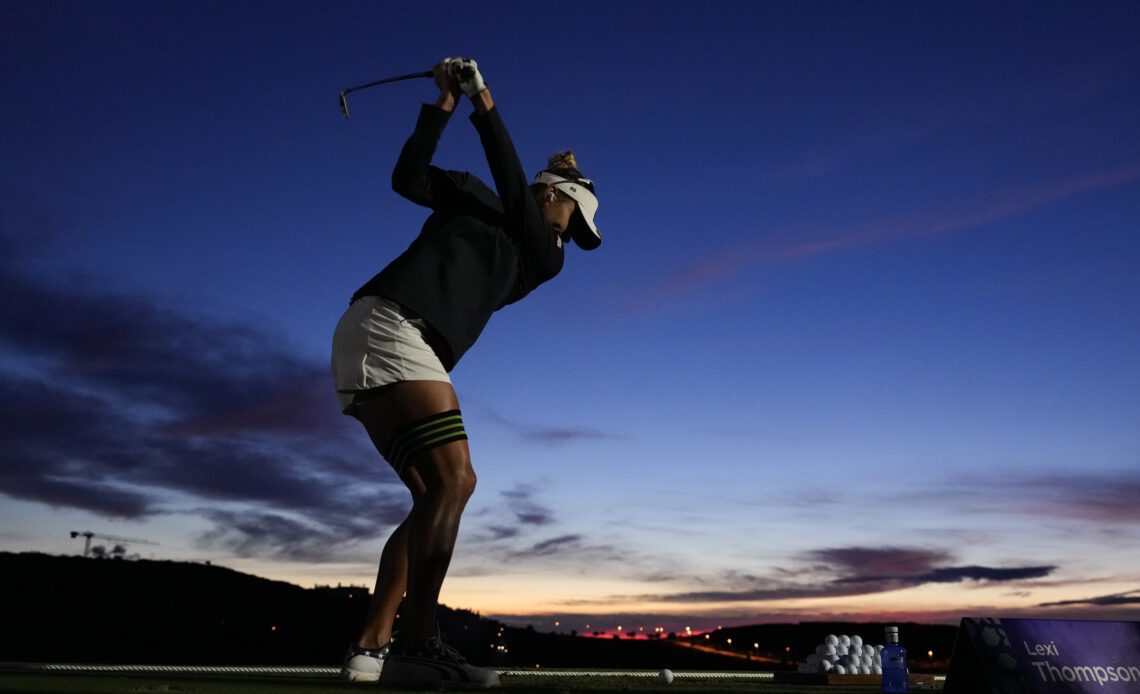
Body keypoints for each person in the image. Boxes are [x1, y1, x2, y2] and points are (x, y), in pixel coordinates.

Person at [331, 57, 601, 687]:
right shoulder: (478, 199)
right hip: (388, 326)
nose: (571, 238)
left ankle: (371, 649)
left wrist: (480, 99)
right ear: (556, 197)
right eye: (575, 222)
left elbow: (513, 187)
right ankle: (418, 644)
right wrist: (450, 103)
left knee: (436, 493)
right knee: (455, 482)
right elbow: (408, 177)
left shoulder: (542, 257)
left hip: (385, 338)